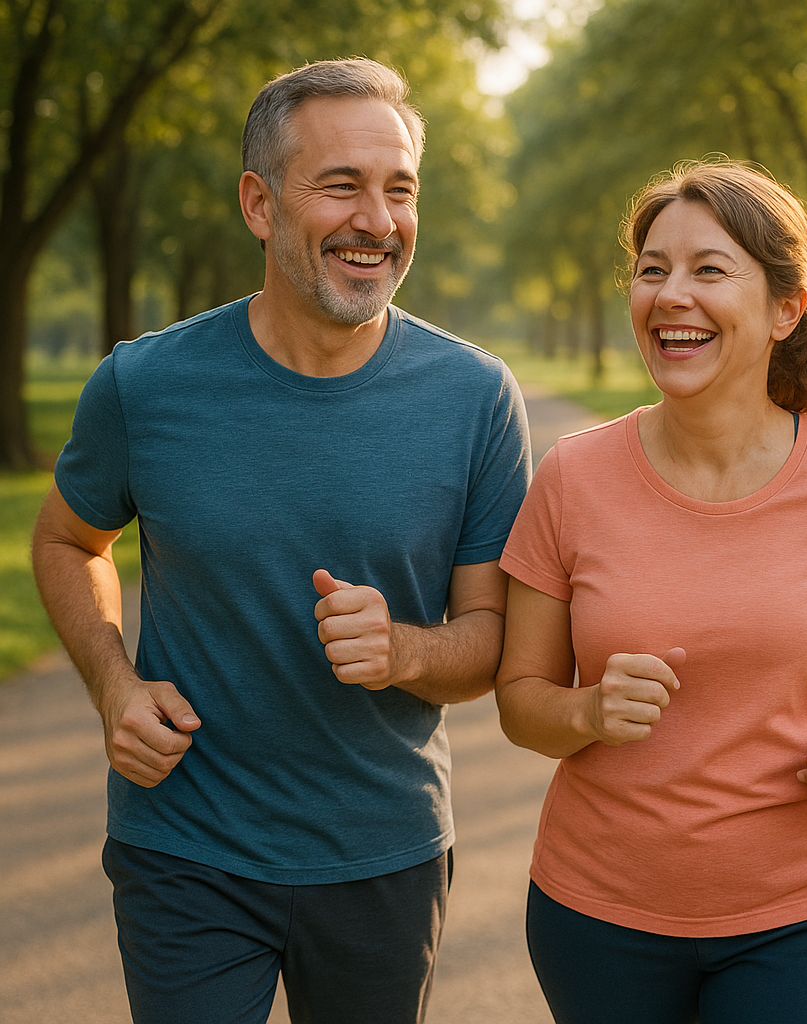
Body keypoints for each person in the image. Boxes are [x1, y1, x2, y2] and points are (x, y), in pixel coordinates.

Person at [32, 58, 530, 1024]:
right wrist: (113, 685)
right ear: (260, 205)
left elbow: (489, 646)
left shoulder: (474, 399)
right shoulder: (144, 386)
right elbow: (65, 542)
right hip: (185, 845)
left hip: (382, 851)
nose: (377, 221)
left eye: (399, 190)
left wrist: (404, 652)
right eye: (340, 184)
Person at [494, 160, 807, 1024]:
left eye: (709, 270)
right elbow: (521, 701)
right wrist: (590, 712)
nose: (673, 294)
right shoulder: (573, 478)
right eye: (652, 270)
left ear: (785, 310)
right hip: (599, 913)